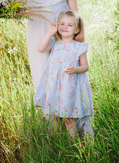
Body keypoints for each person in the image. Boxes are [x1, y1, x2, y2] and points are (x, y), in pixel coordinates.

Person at [34, 10, 94, 138]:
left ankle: (74, 146)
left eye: (70, 25)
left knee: (68, 117)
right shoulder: (55, 43)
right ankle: (56, 142)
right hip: (55, 84)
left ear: (77, 30)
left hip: (69, 86)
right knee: (55, 116)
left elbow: (85, 66)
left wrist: (76, 69)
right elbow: (40, 49)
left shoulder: (79, 47)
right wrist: (50, 33)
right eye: (62, 24)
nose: (65, 27)